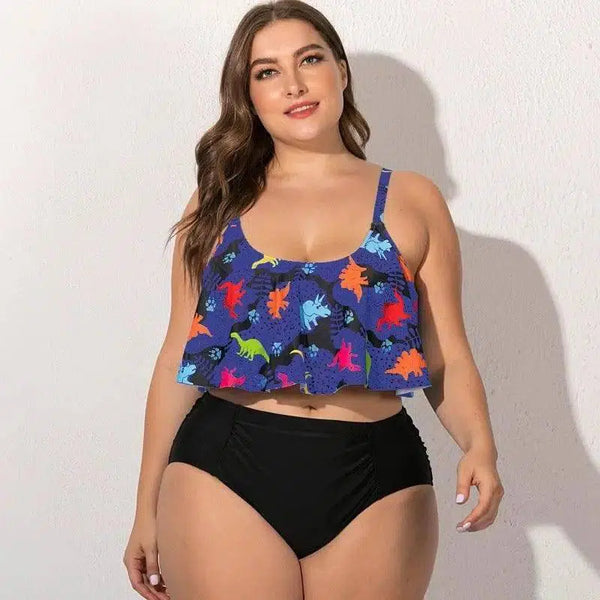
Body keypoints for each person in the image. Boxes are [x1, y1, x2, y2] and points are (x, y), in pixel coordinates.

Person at [123, 1, 504, 598]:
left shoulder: (412, 200)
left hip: (376, 476)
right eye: (267, 71)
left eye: (310, 60)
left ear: (341, 71)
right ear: (248, 95)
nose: (294, 85)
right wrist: (145, 506)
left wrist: (480, 445)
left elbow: (444, 355)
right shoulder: (217, 202)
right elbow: (178, 354)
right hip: (224, 469)